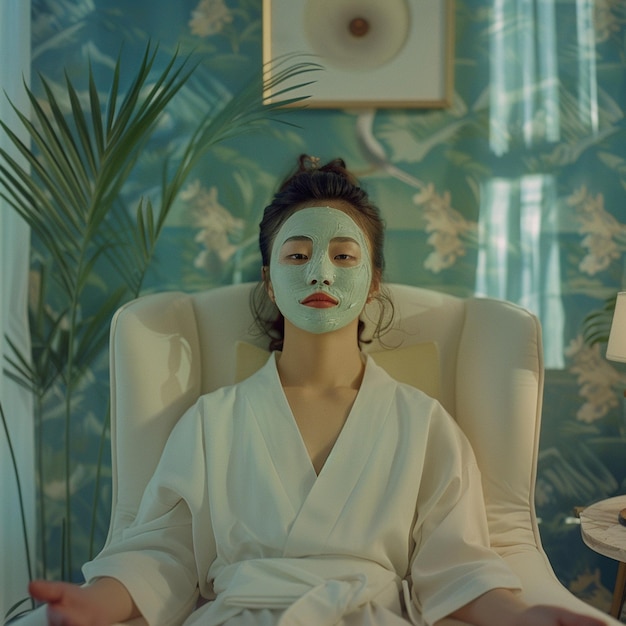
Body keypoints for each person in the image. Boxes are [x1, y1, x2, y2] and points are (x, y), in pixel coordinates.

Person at [29, 156, 606, 626]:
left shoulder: (420, 423)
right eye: (298, 255)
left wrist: (525, 616)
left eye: (344, 256)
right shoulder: (215, 421)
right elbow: (165, 555)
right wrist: (92, 603)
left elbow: (454, 563)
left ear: (372, 280)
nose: (320, 274)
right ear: (270, 281)